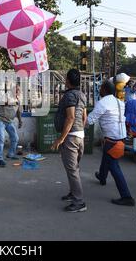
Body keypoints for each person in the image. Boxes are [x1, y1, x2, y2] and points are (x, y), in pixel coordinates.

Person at [87, 80, 135, 206]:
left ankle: (127, 196)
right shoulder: (119, 102)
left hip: (112, 139)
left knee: (114, 167)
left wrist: (77, 124)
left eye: (100, 88)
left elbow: (90, 119)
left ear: (104, 90)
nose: (99, 90)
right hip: (120, 137)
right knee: (107, 156)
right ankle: (102, 177)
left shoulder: (103, 102)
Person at [51, 69, 87, 213]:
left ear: (68, 81)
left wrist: (61, 139)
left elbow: (71, 117)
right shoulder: (82, 95)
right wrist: (80, 132)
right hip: (79, 136)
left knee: (72, 170)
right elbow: (84, 117)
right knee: (74, 168)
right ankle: (73, 193)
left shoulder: (69, 96)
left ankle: (79, 202)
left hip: (71, 137)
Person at [0, 84, 22, 167]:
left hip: (9, 121)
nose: (17, 92)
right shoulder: (6, 96)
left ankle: (11, 154)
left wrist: (20, 121)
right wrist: (13, 101)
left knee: (15, 138)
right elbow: (3, 103)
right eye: (16, 90)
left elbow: (18, 111)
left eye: (18, 90)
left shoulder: (18, 100)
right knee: (1, 139)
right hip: (0, 120)